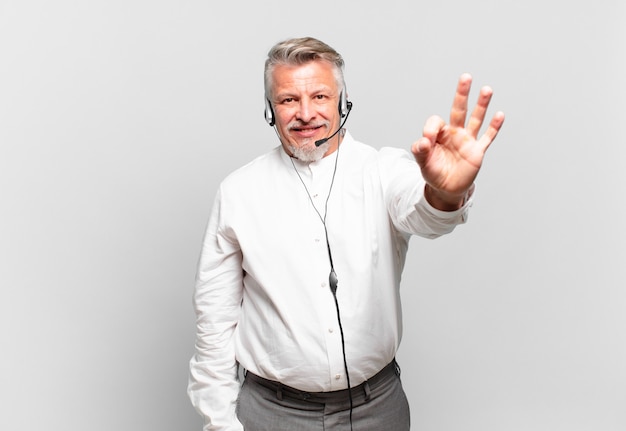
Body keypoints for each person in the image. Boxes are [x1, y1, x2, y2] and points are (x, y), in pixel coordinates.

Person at [188, 36, 504, 431]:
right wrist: (220, 421)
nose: (305, 114)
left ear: (342, 100)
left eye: (320, 96)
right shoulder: (238, 192)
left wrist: (446, 191)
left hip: (378, 409)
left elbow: (427, 215)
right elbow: (214, 322)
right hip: (271, 413)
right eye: (288, 100)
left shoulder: (384, 170)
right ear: (270, 110)